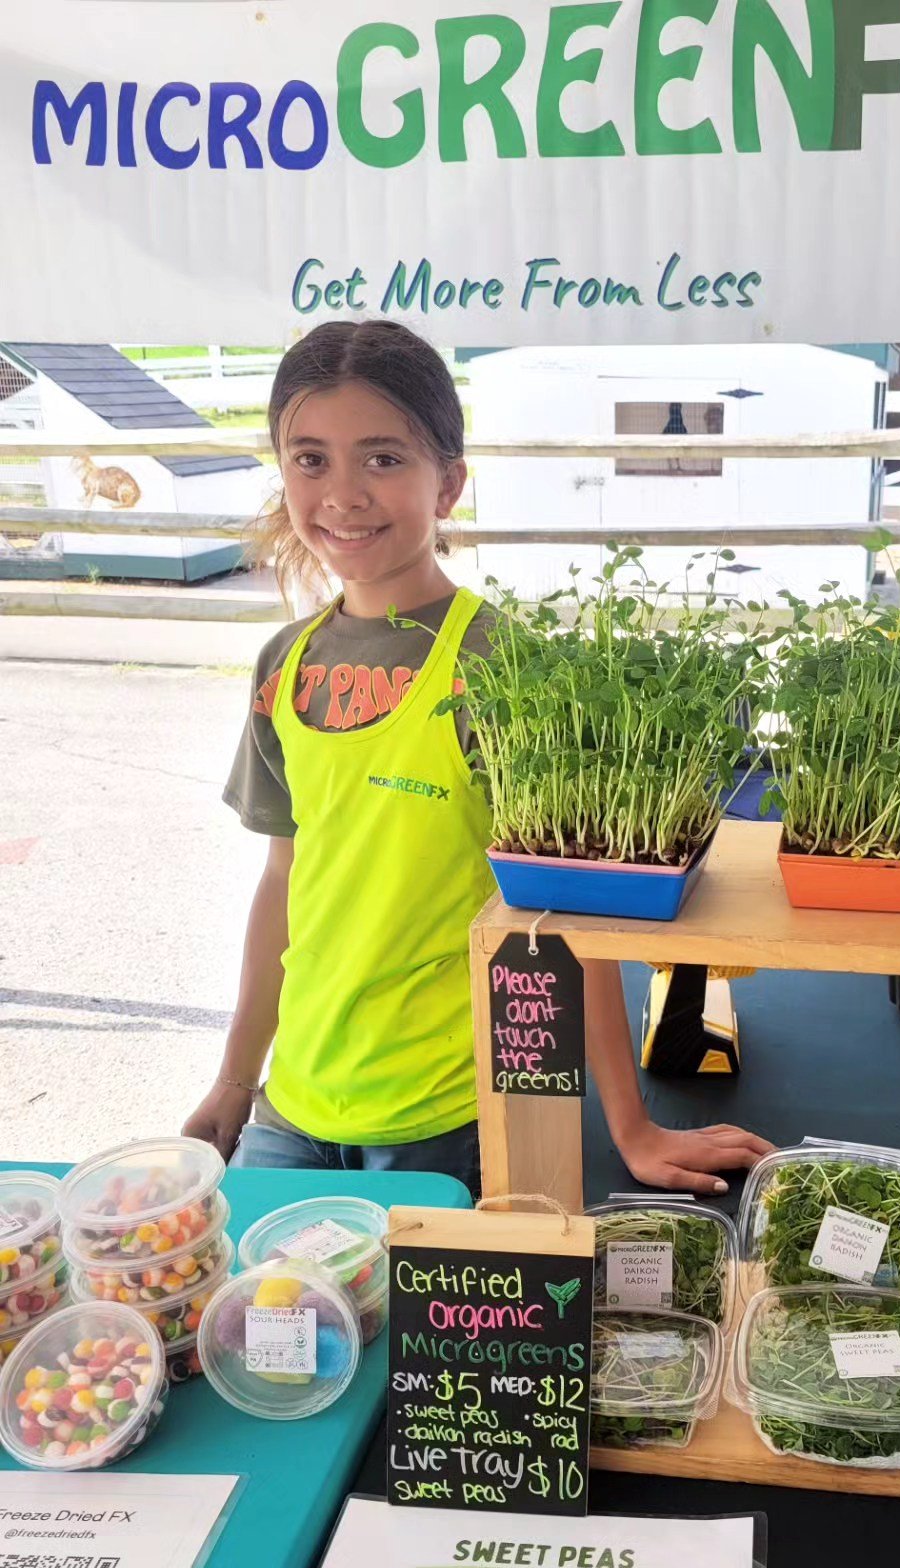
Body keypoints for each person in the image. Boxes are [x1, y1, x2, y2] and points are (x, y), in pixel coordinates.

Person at [182, 319, 770, 1196]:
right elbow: (284, 879)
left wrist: (632, 1128)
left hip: (449, 1111)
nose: (342, 494)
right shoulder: (284, 664)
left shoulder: (504, 667)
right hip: (294, 1108)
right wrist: (236, 1080)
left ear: (448, 482)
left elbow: (572, 908)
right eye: (311, 460)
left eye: (382, 459)